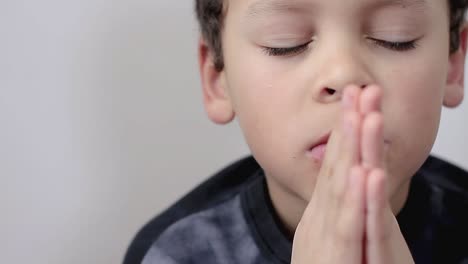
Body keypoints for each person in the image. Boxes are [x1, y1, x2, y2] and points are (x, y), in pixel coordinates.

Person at [123, 0, 468, 263]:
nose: (344, 75)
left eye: (395, 37)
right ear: (218, 76)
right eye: (285, 42)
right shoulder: (175, 252)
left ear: (453, 64)